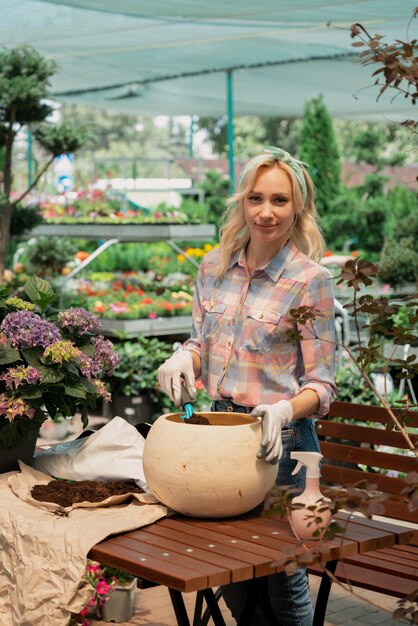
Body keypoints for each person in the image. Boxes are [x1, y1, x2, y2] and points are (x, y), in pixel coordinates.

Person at [157, 146, 336, 626]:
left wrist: (282, 410)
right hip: (217, 433)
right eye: (256, 198)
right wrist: (184, 356)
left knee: (283, 578)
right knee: (230, 572)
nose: (266, 212)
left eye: (280, 200)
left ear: (297, 207)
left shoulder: (309, 281)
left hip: (282, 444)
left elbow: (322, 384)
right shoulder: (213, 267)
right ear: (242, 202)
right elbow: (202, 342)